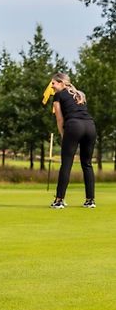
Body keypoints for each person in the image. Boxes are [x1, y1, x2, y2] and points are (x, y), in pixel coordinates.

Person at [50, 72, 97, 209]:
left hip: (74, 126)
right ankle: (90, 200)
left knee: (66, 163)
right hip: (90, 126)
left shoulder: (58, 95)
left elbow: (59, 119)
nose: (52, 86)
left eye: (53, 83)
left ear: (61, 83)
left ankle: (59, 200)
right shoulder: (80, 94)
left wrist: (63, 134)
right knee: (87, 164)